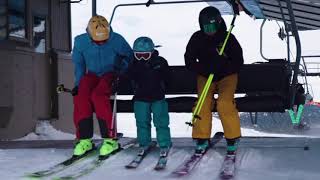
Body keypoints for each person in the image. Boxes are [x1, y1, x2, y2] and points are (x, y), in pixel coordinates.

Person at [184, 6, 244, 157]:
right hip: (206, 75)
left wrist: (223, 66)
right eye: (206, 27)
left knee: (224, 102)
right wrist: (204, 68)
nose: (209, 30)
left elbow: (238, 61)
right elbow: (189, 60)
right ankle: (201, 137)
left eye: (212, 26)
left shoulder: (228, 37)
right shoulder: (197, 38)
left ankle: (232, 138)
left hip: (226, 76)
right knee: (203, 102)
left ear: (218, 23)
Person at [71, 15, 133, 157]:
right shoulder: (80, 42)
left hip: (110, 73)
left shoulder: (117, 39)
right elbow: (80, 66)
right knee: (81, 95)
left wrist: (121, 68)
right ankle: (84, 139)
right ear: (89, 34)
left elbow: (129, 57)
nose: (101, 43)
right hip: (92, 74)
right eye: (97, 41)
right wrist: (78, 84)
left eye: (104, 40)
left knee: (98, 96)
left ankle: (110, 139)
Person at [128, 36, 172, 157]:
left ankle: (164, 143)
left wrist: (163, 86)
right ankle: (144, 142)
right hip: (140, 98)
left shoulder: (160, 62)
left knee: (161, 121)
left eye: (145, 55)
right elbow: (128, 78)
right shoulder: (132, 64)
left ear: (152, 53)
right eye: (139, 55)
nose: (142, 59)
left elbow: (168, 77)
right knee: (142, 121)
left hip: (157, 97)